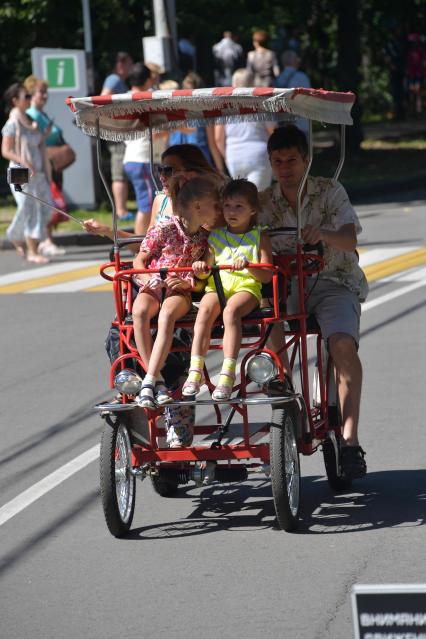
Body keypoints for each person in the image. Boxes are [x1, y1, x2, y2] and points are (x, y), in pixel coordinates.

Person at [259, 125, 368, 479]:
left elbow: (350, 238)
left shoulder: (328, 190)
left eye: (292, 160)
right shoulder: (262, 202)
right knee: (267, 312)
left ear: (306, 160)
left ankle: (350, 440)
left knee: (341, 346)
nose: (285, 167)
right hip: (287, 286)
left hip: (334, 281)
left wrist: (322, 234)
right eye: (278, 161)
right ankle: (286, 391)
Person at [132, 177, 221, 418]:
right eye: (215, 204)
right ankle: (157, 379)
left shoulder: (205, 239)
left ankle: (149, 378)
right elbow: (139, 259)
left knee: (167, 314)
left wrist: (188, 282)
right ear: (198, 206)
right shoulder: (165, 228)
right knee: (139, 312)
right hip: (154, 281)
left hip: (181, 289)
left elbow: (203, 276)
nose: (218, 210)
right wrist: (144, 279)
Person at [182, 179, 273, 401]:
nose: (231, 212)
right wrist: (200, 268)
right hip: (218, 287)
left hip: (246, 287)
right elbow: (204, 273)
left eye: (239, 206)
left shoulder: (260, 236)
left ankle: (228, 372)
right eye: (227, 206)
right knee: (204, 310)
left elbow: (267, 274)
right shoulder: (216, 236)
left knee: (231, 312)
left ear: (253, 210)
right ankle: (195, 370)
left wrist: (250, 267)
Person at [1, 83, 52, 264]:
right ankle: (32, 250)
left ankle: (15, 235)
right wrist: (24, 162)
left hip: (36, 171)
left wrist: (44, 135)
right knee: (28, 207)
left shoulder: (30, 120)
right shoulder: (12, 123)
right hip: (18, 171)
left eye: (30, 96)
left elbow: (36, 143)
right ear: (15, 100)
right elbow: (5, 150)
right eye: (26, 97)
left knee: (46, 208)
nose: (30, 99)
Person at [24, 75, 69, 257]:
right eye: (40, 92)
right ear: (32, 94)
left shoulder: (40, 113)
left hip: (50, 162)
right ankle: (46, 241)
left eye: (45, 92)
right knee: (46, 201)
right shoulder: (32, 114)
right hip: (43, 162)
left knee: (50, 201)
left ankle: (47, 239)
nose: (44, 95)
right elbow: (34, 139)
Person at [215, 68, 274, 190]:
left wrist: (227, 156)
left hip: (234, 157)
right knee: (259, 200)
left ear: (233, 84)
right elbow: (273, 132)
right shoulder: (262, 104)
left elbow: (218, 138)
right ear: (253, 83)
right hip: (259, 156)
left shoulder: (224, 106)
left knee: (242, 201)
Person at [166, 72, 225, 172]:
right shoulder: (205, 113)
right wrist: (221, 170)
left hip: (178, 164)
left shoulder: (175, 112)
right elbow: (212, 144)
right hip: (200, 162)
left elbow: (167, 141)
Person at [122, 63, 156, 236]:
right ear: (147, 79)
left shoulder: (125, 98)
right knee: (147, 205)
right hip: (141, 158)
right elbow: (153, 130)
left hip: (132, 157)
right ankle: (139, 246)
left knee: (146, 203)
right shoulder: (144, 99)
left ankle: (141, 244)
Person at [101, 52, 134, 221]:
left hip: (118, 132)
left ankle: (122, 209)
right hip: (116, 133)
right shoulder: (113, 80)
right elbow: (103, 97)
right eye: (129, 64)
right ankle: (121, 211)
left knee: (122, 171)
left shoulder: (118, 81)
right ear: (120, 65)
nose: (131, 68)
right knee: (119, 172)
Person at [275, 50, 311, 133]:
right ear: (295, 61)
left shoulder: (278, 79)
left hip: (282, 125)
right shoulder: (302, 77)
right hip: (301, 124)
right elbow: (309, 100)